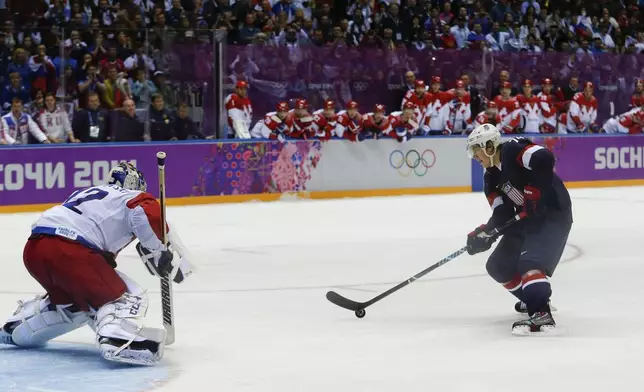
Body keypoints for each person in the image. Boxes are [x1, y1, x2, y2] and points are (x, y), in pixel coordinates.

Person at [0, 162, 194, 365]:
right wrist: (159, 250)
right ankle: (118, 340)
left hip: (35, 249)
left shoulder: (90, 194)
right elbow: (146, 211)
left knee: (73, 306)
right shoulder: (131, 197)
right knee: (124, 296)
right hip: (71, 251)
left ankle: (18, 329)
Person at [465, 124, 572, 335]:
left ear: (488, 146)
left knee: (529, 262)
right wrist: (484, 232)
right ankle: (530, 295)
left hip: (553, 214)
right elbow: (502, 214)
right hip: (528, 218)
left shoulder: (512, 150)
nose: (474, 156)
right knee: (498, 265)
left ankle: (541, 314)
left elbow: (544, 158)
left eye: (475, 149)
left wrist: (534, 190)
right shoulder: (490, 178)